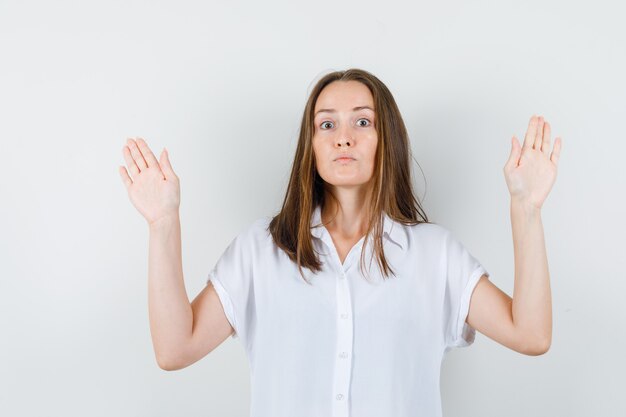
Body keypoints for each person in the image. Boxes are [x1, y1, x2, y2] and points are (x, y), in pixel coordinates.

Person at [119, 68, 562, 417]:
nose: (343, 136)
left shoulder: (435, 254)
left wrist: (526, 208)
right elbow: (175, 349)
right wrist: (163, 223)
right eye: (326, 124)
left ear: (386, 137)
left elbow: (531, 334)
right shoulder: (261, 250)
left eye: (362, 121)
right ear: (310, 145)